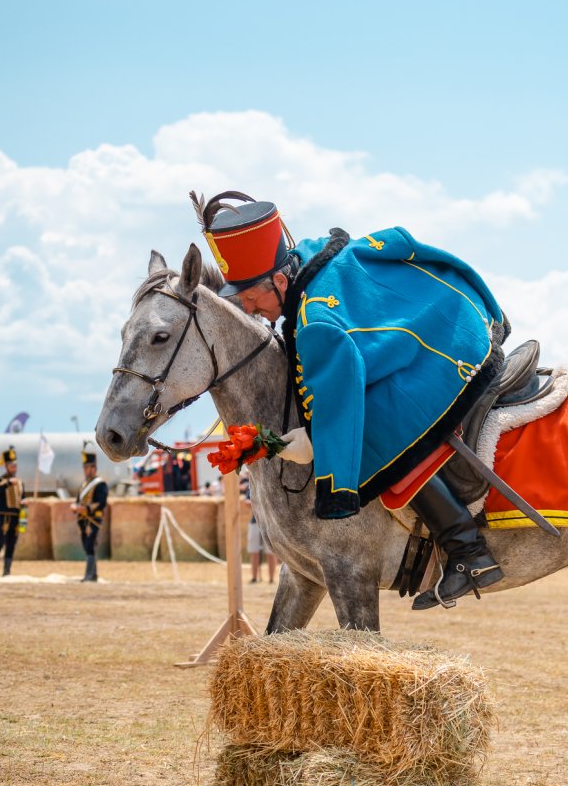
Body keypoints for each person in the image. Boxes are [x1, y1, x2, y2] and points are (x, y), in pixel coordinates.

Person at [194, 191, 507, 610]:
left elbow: (338, 402)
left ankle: (468, 552)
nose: (252, 309)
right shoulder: (308, 259)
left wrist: (314, 444)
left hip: (451, 343)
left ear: (281, 282)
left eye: (253, 298)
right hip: (456, 311)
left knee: (380, 434)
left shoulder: (315, 321)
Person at [70, 445, 109, 583]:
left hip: (93, 519)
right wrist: (75, 506)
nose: (85, 470)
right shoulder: (84, 484)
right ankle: (93, 575)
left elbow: (101, 502)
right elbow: (79, 499)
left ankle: (89, 575)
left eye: (88, 467)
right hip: (82, 519)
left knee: (89, 545)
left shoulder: (100, 484)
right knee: (87, 546)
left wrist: (85, 509)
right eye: (85, 467)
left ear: (94, 468)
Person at [0, 446, 23, 577]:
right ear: (7, 466)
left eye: (15, 465)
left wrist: (24, 501)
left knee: (11, 544)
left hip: (15, 517)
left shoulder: (19, 482)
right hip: (3, 516)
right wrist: (8, 483)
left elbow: (22, 496)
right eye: (12, 465)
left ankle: (6, 571)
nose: (14, 467)